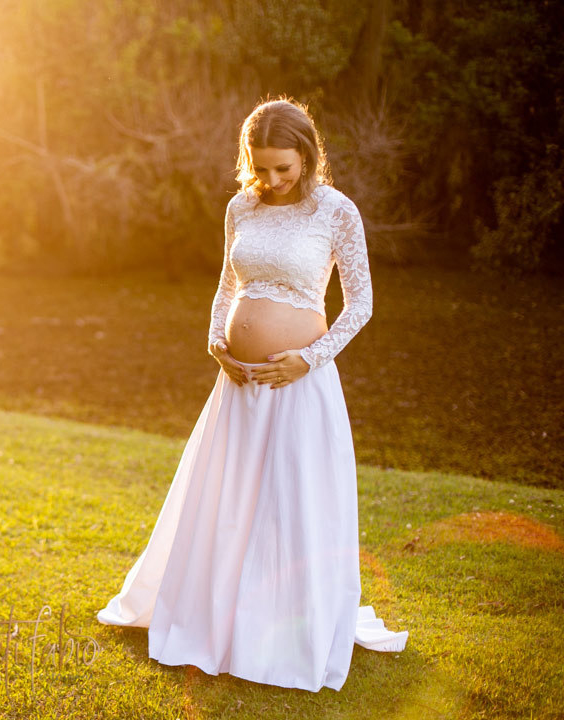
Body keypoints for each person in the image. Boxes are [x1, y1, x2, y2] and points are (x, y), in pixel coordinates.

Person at [96, 97, 407, 692]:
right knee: (229, 499)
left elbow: (361, 303)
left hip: (299, 385)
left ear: (308, 157)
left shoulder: (336, 212)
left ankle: (279, 629)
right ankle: (215, 617)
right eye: (260, 167)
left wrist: (308, 360)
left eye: (283, 169)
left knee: (289, 502)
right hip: (237, 385)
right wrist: (217, 341)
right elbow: (225, 286)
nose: (270, 180)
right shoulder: (241, 206)